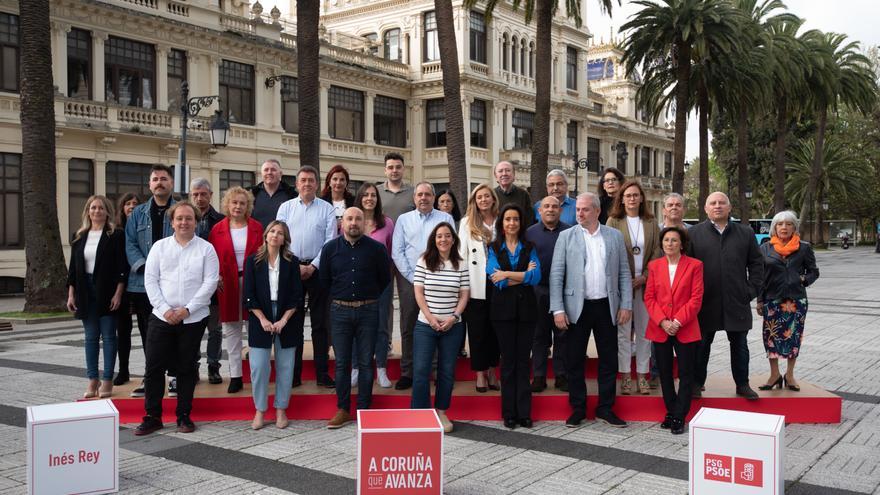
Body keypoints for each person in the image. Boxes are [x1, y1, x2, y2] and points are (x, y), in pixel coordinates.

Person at [135, 201, 219, 436]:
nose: (184, 222)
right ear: (172, 222)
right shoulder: (159, 248)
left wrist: (187, 310)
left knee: (185, 367)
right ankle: (152, 416)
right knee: (153, 367)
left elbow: (210, 283)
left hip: (193, 318)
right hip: (161, 317)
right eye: (179, 218)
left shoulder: (206, 249)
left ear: (196, 221)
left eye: (189, 218)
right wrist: (165, 310)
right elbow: (150, 280)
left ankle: (183, 415)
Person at [550, 192, 632, 428]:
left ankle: (605, 408)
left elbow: (624, 273)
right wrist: (557, 309)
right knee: (574, 359)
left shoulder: (614, 236)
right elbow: (556, 275)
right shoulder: (566, 236)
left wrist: (626, 304)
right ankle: (578, 408)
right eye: (577, 210)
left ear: (597, 211)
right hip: (577, 307)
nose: (579, 213)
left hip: (607, 306)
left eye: (585, 209)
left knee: (609, 359)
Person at [688, 192, 764, 400]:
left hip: (736, 301)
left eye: (722, 203)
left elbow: (757, 264)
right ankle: (696, 384)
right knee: (701, 345)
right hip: (705, 302)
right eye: (712, 203)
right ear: (705, 208)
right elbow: (687, 268)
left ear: (730, 208)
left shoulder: (745, 233)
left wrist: (750, 291)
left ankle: (742, 384)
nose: (717, 206)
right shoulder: (693, 234)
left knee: (739, 345)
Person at [321, 208, 392, 429]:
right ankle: (342, 409)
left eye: (358, 219)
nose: (353, 223)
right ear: (342, 223)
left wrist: (367, 298)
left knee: (365, 362)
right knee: (342, 363)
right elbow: (324, 281)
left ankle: (364, 409)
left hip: (368, 310)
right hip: (340, 311)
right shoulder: (330, 249)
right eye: (349, 219)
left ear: (364, 223)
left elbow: (384, 279)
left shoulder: (377, 249)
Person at [276, 166, 338, 388]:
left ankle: (322, 373)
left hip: (318, 271)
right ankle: (294, 374)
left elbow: (330, 242)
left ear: (317, 183)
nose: (307, 184)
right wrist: (295, 266)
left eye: (311, 180)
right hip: (291, 269)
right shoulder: (285, 208)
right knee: (294, 323)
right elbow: (279, 238)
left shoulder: (327, 209)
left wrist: (313, 266)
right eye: (303, 180)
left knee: (320, 324)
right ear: (297, 183)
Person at [391, 182, 455, 390]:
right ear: (414, 198)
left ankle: (436, 371)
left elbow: (452, 246)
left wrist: (439, 275)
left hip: (439, 280)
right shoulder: (403, 220)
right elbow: (397, 251)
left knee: (437, 323)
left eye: (428, 194)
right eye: (420, 194)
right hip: (409, 280)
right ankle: (408, 372)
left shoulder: (444, 218)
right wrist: (413, 277)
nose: (423, 198)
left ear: (434, 197)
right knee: (409, 325)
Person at [243, 221, 303, 430]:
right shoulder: (252, 262)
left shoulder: (292, 262)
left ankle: (280, 410)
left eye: (280, 233)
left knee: (285, 367)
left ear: (285, 239)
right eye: (273, 232)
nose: (275, 235)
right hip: (260, 315)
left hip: (288, 316)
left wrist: (284, 320)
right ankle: (260, 410)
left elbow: (297, 296)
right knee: (259, 367)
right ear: (266, 235)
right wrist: (263, 320)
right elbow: (248, 296)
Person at [644, 227, 704, 435]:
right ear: (662, 244)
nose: (670, 243)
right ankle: (671, 411)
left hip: (684, 326)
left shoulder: (695, 265)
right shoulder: (654, 266)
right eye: (666, 240)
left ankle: (680, 415)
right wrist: (662, 321)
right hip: (660, 328)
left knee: (686, 373)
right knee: (664, 372)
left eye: (674, 240)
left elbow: (696, 299)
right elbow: (649, 298)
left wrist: (677, 321)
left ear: (682, 244)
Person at [67, 195, 127, 399]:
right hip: (85, 291)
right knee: (91, 338)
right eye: (93, 208)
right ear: (87, 211)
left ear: (107, 211)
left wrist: (119, 293)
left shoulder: (115, 235)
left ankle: (108, 378)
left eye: (101, 208)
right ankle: (93, 379)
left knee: (109, 337)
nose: (97, 211)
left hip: (107, 291)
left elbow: (122, 267)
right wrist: (71, 294)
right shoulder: (79, 236)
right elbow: (73, 270)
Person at [411, 222, 469, 433]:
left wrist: (454, 317)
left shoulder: (460, 264)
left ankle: (441, 411)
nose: (443, 239)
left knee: (446, 371)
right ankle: (420, 414)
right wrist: (430, 317)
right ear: (433, 240)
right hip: (426, 325)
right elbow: (418, 292)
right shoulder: (424, 260)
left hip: (452, 327)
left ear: (453, 239)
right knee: (421, 370)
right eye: (439, 236)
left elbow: (464, 294)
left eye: (447, 236)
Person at [487, 205, 541, 429]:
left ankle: (524, 413)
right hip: (502, 313)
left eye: (516, 219)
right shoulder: (493, 247)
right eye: (508, 219)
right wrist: (522, 275)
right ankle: (509, 413)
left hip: (527, 312)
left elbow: (536, 276)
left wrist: (507, 273)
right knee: (508, 362)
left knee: (522, 361)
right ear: (502, 223)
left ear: (521, 223)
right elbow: (495, 280)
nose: (512, 223)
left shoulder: (530, 246)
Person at [125, 164, 176, 398]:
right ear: (149, 184)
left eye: (163, 178)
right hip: (144, 285)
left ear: (171, 183)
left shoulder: (180, 210)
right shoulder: (138, 214)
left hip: (174, 283)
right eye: (155, 179)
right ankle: (151, 377)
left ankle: (175, 376)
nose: (159, 182)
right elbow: (131, 244)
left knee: (176, 330)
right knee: (149, 334)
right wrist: (147, 269)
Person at [606, 180, 661, 395]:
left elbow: (657, 251)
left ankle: (642, 376)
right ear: (621, 198)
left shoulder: (650, 221)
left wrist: (644, 276)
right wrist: (625, 279)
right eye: (627, 195)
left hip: (645, 285)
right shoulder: (613, 221)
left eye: (635, 195)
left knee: (644, 333)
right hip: (623, 286)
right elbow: (608, 251)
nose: (631, 199)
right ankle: (626, 376)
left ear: (641, 198)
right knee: (623, 333)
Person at [208, 187, 264, 393]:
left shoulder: (257, 228)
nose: (238, 206)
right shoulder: (217, 229)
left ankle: (258, 375)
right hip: (228, 284)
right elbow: (211, 257)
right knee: (231, 332)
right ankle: (235, 376)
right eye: (234, 203)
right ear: (228, 205)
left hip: (253, 283)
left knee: (255, 330)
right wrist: (216, 277)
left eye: (242, 203)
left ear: (247, 206)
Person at [756, 211, 819, 392]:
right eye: (780, 224)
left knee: (794, 337)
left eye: (789, 224)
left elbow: (813, 271)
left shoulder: (804, 248)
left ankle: (790, 375)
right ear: (774, 228)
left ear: (794, 227)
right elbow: (760, 277)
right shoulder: (765, 249)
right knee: (771, 337)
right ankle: (774, 374)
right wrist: (760, 300)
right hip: (772, 300)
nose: (784, 227)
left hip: (796, 300)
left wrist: (803, 279)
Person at [525, 196, 572, 393]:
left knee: (563, 334)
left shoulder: (570, 232)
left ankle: (561, 375)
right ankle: (539, 376)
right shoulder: (529, 233)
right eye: (546, 206)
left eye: (555, 206)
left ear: (560, 210)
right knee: (539, 335)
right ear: (539, 211)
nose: (551, 209)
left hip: (563, 290)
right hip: (537, 291)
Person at [351, 183, 395, 388]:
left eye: (373, 195)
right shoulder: (352, 221)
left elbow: (392, 253)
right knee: (355, 325)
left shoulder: (386, 223)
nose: (369, 198)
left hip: (381, 282)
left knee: (381, 325)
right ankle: (356, 369)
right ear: (359, 198)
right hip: (355, 281)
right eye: (365, 195)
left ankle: (381, 369)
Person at [458, 184, 501, 393]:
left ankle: (493, 370)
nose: (483, 200)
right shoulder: (466, 223)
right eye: (479, 197)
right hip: (476, 283)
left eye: (486, 196)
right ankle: (480, 374)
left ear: (493, 199)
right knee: (477, 332)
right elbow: (462, 256)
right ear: (474, 202)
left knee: (496, 330)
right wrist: (462, 285)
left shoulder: (503, 220)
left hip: (500, 282)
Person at [191, 178, 226, 385]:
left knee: (215, 329)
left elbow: (225, 251)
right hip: (192, 283)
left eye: (203, 194)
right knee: (194, 329)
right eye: (195, 194)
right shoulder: (186, 217)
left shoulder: (221, 220)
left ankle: (214, 366)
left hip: (215, 283)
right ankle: (193, 367)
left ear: (210, 195)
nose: (199, 198)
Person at [113, 192, 139, 386]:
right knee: (123, 331)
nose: (131, 206)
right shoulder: (116, 231)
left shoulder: (141, 228)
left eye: (135, 204)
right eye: (127, 204)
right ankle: (123, 370)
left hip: (140, 284)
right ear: (122, 208)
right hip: (122, 286)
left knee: (148, 330)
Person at [250, 159, 297, 229]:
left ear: (281, 174)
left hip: (283, 238)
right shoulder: (251, 194)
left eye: (273, 170)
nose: (269, 172)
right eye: (266, 170)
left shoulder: (292, 195)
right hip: (257, 239)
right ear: (261, 173)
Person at [377, 152, 415, 222]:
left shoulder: (414, 192)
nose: (394, 170)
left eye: (398, 167)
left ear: (403, 169)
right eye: (390, 167)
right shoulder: (376, 192)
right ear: (385, 171)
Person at [494, 161, 534, 226]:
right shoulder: (492, 195)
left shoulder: (524, 195)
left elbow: (529, 220)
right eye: (500, 171)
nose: (504, 174)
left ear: (514, 175)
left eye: (508, 170)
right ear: (496, 176)